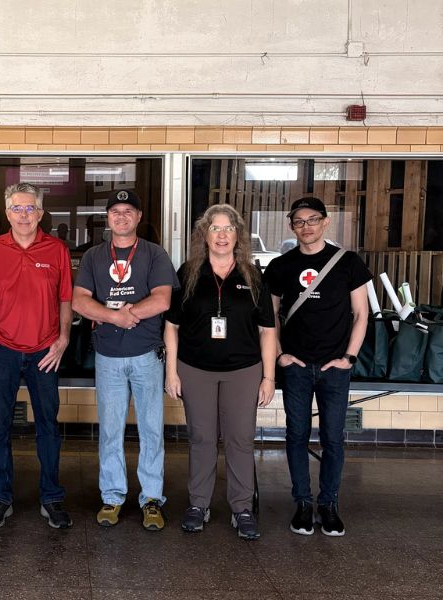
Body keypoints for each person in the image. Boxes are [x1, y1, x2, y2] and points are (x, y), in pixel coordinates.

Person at [163, 204, 276, 540]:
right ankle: (199, 504)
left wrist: (268, 377)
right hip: (195, 368)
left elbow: (268, 331)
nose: (222, 235)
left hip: (243, 370)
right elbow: (171, 327)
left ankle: (241, 508)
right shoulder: (188, 273)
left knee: (240, 440)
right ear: (205, 234)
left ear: (238, 235)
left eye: (229, 228)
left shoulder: (253, 277)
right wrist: (172, 372)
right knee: (201, 439)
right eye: (215, 228)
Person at [264, 197, 371, 537]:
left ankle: (329, 505)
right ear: (291, 226)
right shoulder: (280, 266)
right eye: (299, 221)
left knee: (333, 439)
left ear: (326, 223)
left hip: (334, 368)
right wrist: (281, 354)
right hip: (295, 365)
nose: (306, 226)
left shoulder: (348, 262)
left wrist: (349, 359)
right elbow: (270, 318)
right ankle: (303, 504)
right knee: (295, 436)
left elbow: (361, 314)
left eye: (312, 220)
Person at [72, 189, 176, 530]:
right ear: (108, 217)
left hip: (147, 355)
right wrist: (115, 317)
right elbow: (80, 301)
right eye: (115, 211)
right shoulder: (93, 257)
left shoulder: (154, 254)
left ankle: (151, 499)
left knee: (151, 430)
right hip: (108, 357)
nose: (121, 216)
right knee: (111, 431)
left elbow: (162, 299)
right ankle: (113, 497)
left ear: (138, 216)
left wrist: (126, 314)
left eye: (128, 210)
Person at [0, 183, 73, 529]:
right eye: (17, 208)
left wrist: (63, 339)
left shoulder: (57, 249)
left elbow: (65, 299)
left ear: (41, 213)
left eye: (31, 209)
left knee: (48, 426)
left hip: (45, 350)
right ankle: (1, 496)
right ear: (7, 213)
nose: (24, 215)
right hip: (1, 348)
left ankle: (52, 497)